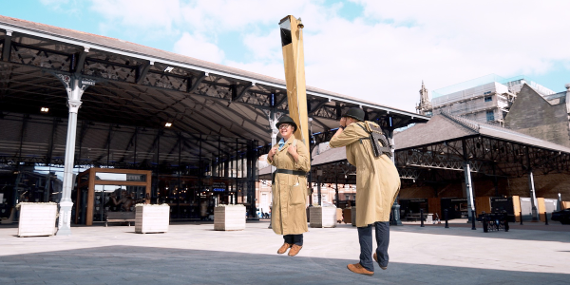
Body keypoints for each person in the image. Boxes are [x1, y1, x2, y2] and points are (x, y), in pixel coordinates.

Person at [329, 107, 401, 276]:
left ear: (350, 119)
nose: (343, 121)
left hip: (373, 175)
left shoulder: (354, 128)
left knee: (364, 219)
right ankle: (382, 258)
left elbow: (333, 142)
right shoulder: (374, 129)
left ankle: (366, 264)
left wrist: (341, 127)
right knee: (382, 217)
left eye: (344, 118)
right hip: (391, 174)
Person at [266, 115, 311, 257]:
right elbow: (276, 162)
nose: (283, 128)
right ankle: (287, 241)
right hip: (280, 182)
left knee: (295, 211)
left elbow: (306, 166)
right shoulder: (277, 145)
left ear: (292, 129)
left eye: (286, 126)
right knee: (283, 211)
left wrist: (294, 154)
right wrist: (270, 156)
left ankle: (297, 242)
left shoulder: (298, 144)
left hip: (294, 181)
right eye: (281, 126)